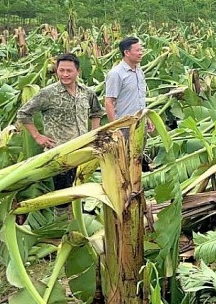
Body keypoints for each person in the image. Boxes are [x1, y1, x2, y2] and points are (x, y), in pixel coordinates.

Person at [16, 53, 103, 190]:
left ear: (78, 72)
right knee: (62, 198)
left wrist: (94, 132)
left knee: (78, 192)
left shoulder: (86, 92)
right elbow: (23, 113)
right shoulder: (48, 93)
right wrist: (37, 136)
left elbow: (97, 111)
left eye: (69, 71)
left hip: (82, 152)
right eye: (61, 70)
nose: (65, 74)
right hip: (59, 155)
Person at [105, 37, 150, 129]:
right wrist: (115, 128)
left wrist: (147, 118)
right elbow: (109, 102)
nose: (141, 53)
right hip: (124, 126)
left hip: (140, 123)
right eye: (137, 50)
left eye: (141, 50)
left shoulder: (139, 72)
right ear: (126, 53)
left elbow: (140, 98)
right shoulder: (116, 74)